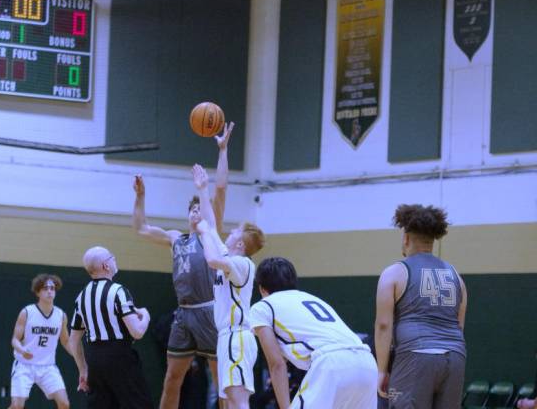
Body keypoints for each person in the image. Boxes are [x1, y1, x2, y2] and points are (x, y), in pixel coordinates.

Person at [132, 122, 234, 409]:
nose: (197, 212)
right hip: (184, 315)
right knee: (172, 378)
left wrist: (223, 151)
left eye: (201, 208)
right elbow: (141, 228)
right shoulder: (176, 238)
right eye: (193, 209)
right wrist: (140, 197)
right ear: (188, 215)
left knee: (220, 382)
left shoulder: (212, 235)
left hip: (209, 312)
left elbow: (222, 189)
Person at [250, 257, 377, 409]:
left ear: (261, 288)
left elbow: (277, 364)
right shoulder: (312, 298)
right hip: (367, 363)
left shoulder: (262, 307)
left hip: (332, 364)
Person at [375, 204, 467, 409]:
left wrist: (381, 370)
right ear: (432, 240)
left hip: (415, 357)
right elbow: (459, 326)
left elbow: (383, 325)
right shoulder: (456, 276)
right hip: (455, 358)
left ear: (406, 238)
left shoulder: (394, 272)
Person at [191, 164, 265, 408]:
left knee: (238, 399)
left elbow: (211, 257)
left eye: (235, 231)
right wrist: (203, 190)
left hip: (237, 336)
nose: (229, 232)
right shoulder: (230, 258)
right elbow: (212, 227)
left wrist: (201, 231)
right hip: (226, 337)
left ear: (241, 244)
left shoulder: (242, 264)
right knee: (230, 401)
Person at [68, 246, 153, 408]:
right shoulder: (118, 291)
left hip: (94, 361)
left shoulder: (82, 296)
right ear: (106, 266)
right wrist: (146, 315)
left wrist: (83, 369)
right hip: (120, 357)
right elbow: (137, 332)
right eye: (111, 257)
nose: (114, 259)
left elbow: (74, 340)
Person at [8, 274, 72, 409]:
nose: (50, 291)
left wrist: (79, 357)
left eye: (52, 288)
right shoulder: (27, 312)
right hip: (24, 365)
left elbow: (66, 342)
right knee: (17, 406)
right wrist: (21, 350)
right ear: (38, 292)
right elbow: (15, 340)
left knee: (64, 404)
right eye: (45, 288)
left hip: (48, 366)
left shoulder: (61, 315)